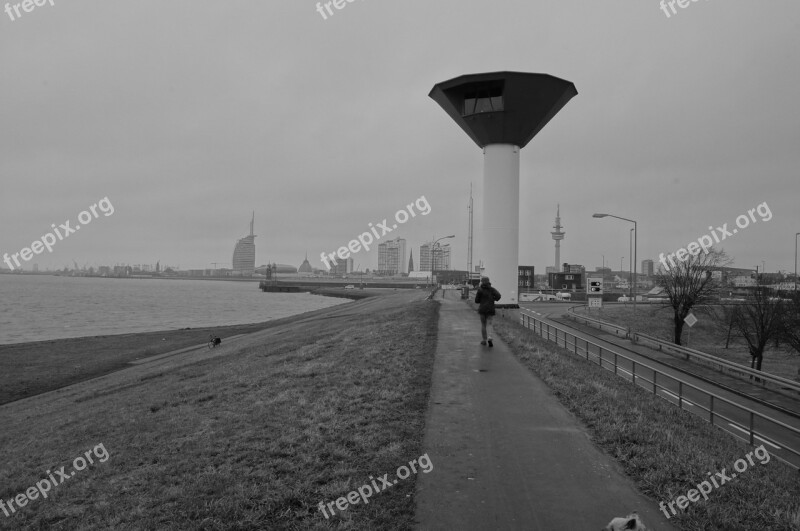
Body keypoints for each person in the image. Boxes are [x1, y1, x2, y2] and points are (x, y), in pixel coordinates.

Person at [474, 276, 501, 347]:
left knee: (483, 325)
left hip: (482, 309)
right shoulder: (492, 289)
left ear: (482, 282)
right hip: (490, 309)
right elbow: (498, 296)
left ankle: (484, 340)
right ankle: (490, 338)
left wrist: (481, 300)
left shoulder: (480, 290)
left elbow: (476, 301)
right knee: (490, 324)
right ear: (489, 281)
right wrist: (494, 299)